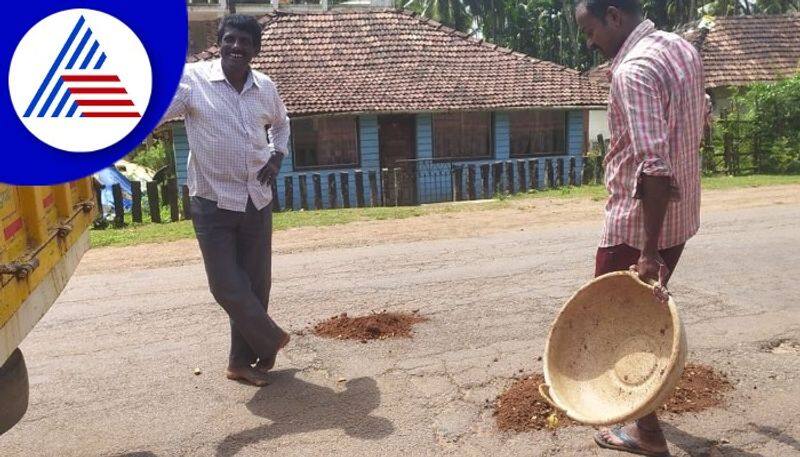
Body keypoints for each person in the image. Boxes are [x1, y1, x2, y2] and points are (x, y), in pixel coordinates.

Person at [575, 0, 708, 455]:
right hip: (681, 218)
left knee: (610, 321)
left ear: (614, 16)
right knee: (647, 315)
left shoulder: (631, 71)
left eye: (591, 31)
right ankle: (645, 415)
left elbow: (653, 168)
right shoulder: (680, 48)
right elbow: (700, 116)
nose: (590, 43)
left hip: (637, 229)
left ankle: (647, 432)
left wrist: (647, 253)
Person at [161, 14, 291, 387]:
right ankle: (268, 341)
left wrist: (276, 156)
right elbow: (159, 114)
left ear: (255, 49)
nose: (237, 47)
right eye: (230, 40)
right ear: (220, 42)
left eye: (245, 42)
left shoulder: (265, 86)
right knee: (225, 284)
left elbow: (282, 123)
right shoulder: (193, 79)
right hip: (212, 200)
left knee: (256, 284)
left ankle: (240, 362)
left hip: (256, 198)